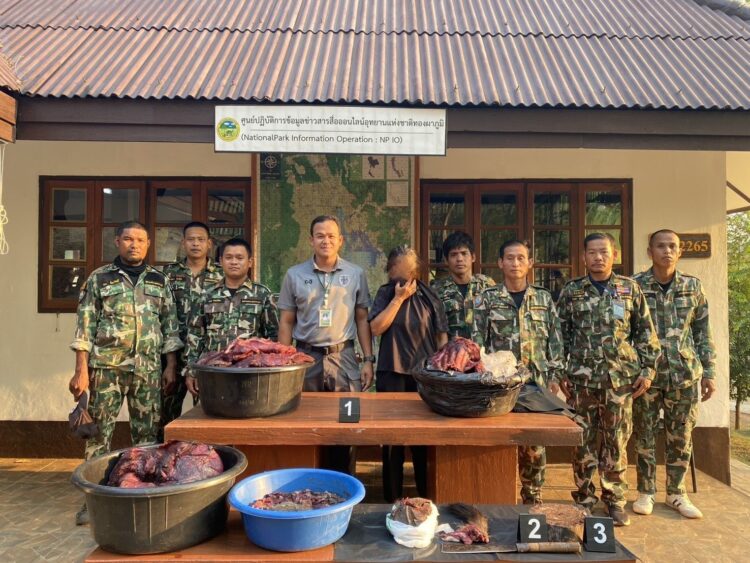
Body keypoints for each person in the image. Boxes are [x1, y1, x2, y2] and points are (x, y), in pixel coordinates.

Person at [68, 220, 181, 525]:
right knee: (97, 437)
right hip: (107, 368)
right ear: (117, 241)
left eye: (140, 240)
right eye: (128, 239)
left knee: (146, 437)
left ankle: (140, 496)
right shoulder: (99, 278)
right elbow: (85, 326)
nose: (134, 245)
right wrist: (81, 370)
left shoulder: (159, 280)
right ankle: (93, 503)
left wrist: (170, 366)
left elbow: (170, 326)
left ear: (148, 245)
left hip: (148, 370)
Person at [556, 232, 660, 526]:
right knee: (583, 441)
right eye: (592, 252)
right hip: (581, 381)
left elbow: (646, 334)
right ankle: (585, 499)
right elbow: (559, 336)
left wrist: (647, 371)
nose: (598, 257)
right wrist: (560, 372)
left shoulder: (629, 289)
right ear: (583, 257)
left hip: (620, 382)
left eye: (604, 252)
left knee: (616, 442)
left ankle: (614, 500)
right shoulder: (572, 291)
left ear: (614, 255)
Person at [277, 215, 374, 474]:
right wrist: (284, 363)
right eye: (320, 236)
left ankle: (346, 482)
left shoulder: (355, 274)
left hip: (344, 359)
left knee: (347, 425)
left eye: (331, 236)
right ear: (311, 240)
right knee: (304, 423)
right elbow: (286, 322)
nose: (325, 241)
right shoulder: (294, 275)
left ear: (340, 240)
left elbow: (362, 318)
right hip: (305, 358)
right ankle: (307, 483)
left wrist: (368, 360)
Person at [472, 239, 565, 505]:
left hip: (536, 382)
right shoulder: (487, 298)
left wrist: (555, 376)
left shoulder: (543, 298)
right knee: (497, 440)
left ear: (530, 263)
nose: (515, 263)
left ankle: (532, 498)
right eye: (510, 258)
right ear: (500, 263)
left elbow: (555, 340)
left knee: (534, 444)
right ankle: (496, 498)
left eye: (521, 258)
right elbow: (478, 343)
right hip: (499, 384)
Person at [632, 230, 716, 519]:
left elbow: (702, 332)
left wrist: (709, 372)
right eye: (660, 246)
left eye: (672, 246)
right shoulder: (635, 286)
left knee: (681, 435)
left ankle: (676, 493)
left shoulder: (693, 286)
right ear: (650, 251)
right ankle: (646, 491)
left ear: (680, 252)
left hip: (684, 375)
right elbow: (628, 331)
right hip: (647, 376)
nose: (667, 251)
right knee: (644, 434)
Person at [369, 245, 448, 502]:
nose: (401, 276)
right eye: (397, 269)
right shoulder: (385, 293)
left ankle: (426, 495)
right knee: (392, 440)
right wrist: (398, 299)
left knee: (422, 439)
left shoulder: (430, 296)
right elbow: (376, 328)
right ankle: (391, 498)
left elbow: (441, 337)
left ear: (416, 270)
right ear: (391, 270)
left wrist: (442, 372)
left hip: (424, 376)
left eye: (408, 270)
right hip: (391, 372)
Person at [185, 238, 278, 396]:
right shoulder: (206, 294)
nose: (234, 262)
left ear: (250, 262)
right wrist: (191, 371)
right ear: (221, 261)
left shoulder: (262, 294)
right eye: (228, 257)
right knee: (212, 410)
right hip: (213, 369)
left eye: (239, 258)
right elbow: (195, 335)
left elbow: (273, 336)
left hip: (250, 371)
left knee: (249, 409)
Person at [159, 222, 222, 437]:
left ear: (209, 244)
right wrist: (170, 363)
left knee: (208, 416)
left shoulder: (221, 274)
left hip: (207, 358)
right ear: (183, 242)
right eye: (191, 239)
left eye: (200, 240)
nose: (196, 244)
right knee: (165, 416)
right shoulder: (168, 274)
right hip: (171, 355)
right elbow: (161, 314)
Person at [431, 231, 495, 339]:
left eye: (464, 253)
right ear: (446, 260)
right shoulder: (436, 291)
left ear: (473, 257)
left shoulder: (487, 285)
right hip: (451, 348)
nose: (459, 259)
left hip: (482, 349)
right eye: (454, 255)